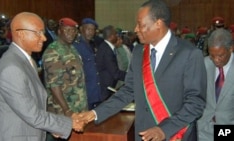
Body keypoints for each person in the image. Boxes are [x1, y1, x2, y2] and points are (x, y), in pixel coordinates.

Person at [76, 1, 207, 141]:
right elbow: (128, 91)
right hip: (143, 134)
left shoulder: (189, 53)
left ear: (158, 23)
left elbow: (196, 103)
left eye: (141, 24)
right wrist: (95, 113)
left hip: (176, 135)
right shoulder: (139, 52)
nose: (136, 29)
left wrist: (164, 129)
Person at [0, 12, 83, 141]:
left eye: (43, 32)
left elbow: (36, 103)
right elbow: (32, 114)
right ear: (21, 34)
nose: (44, 38)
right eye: (38, 32)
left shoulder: (27, 60)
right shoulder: (11, 68)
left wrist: (53, 126)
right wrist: (66, 124)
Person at [197, 28, 234, 141]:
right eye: (212, 55)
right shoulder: (204, 64)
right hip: (203, 127)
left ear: (231, 49)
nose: (216, 60)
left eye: (220, 55)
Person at [73, 18, 102, 109]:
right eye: (88, 29)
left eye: (93, 30)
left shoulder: (92, 44)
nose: (90, 32)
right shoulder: (76, 46)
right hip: (83, 93)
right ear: (81, 29)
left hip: (93, 91)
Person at [95, 25, 126, 101]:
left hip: (108, 87)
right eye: (116, 34)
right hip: (105, 88)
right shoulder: (107, 50)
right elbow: (115, 73)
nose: (117, 36)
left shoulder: (106, 47)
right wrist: (131, 76)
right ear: (111, 36)